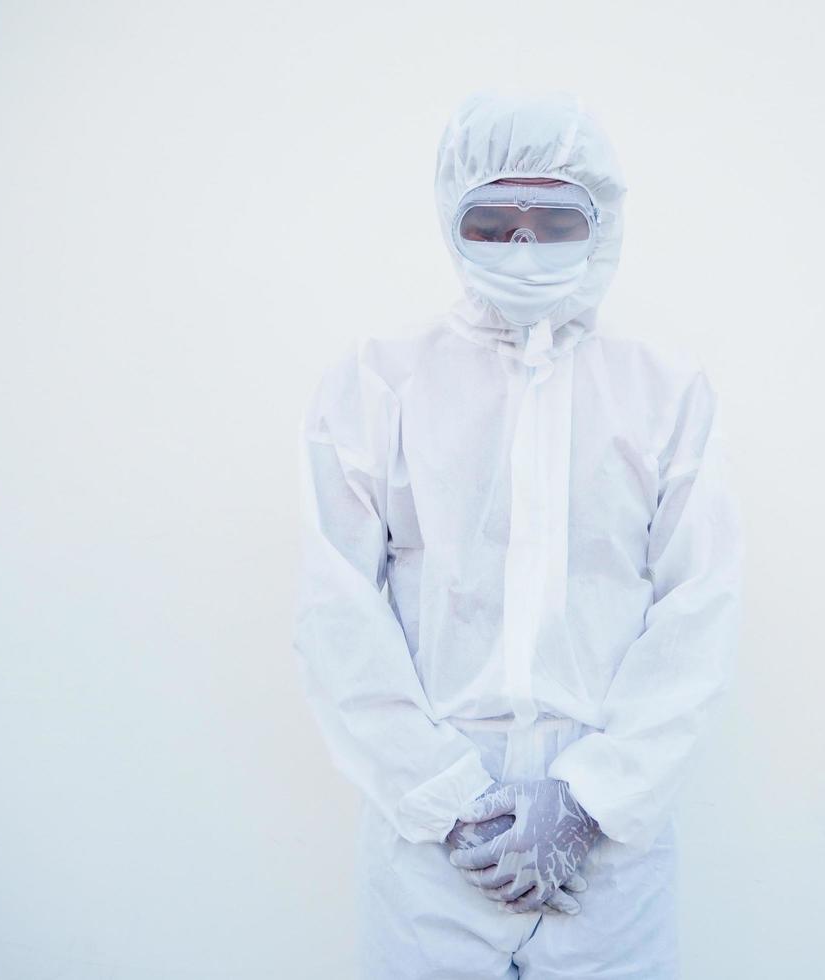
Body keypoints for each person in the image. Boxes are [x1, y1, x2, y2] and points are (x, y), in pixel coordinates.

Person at [292, 88, 742, 979]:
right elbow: (335, 608)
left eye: (553, 216)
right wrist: (450, 799)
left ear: (602, 219)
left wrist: (591, 799)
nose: (524, 245)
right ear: (450, 218)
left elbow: (699, 605)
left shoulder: (663, 389)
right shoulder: (381, 381)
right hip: (430, 818)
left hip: (611, 825)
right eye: (494, 217)